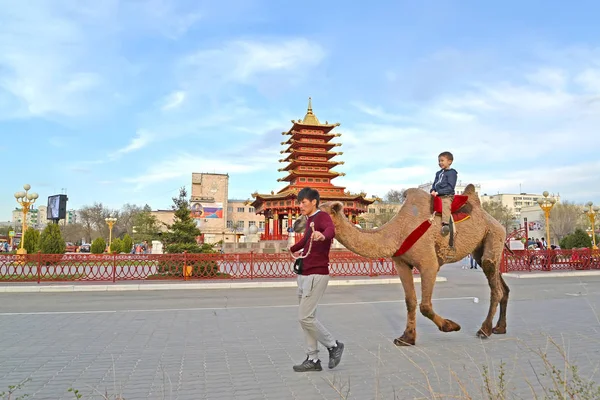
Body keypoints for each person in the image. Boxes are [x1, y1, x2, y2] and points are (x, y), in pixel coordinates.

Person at [288, 187, 344, 372]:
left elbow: (330, 230)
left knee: (305, 317)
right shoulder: (309, 219)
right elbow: (306, 241)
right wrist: (290, 249)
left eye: (303, 202)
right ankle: (312, 359)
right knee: (307, 319)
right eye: (299, 202)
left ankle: (333, 345)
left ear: (313, 202)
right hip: (304, 273)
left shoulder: (322, 217)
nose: (300, 206)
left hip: (316, 274)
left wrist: (323, 235)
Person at [430, 151, 458, 236]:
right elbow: (434, 184)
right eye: (439, 161)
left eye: (442, 160)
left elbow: (450, 187)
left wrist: (439, 192)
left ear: (449, 161)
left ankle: (445, 225)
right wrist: (432, 190)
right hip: (437, 195)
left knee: (445, 204)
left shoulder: (452, 173)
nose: (440, 163)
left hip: (447, 195)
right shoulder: (438, 173)